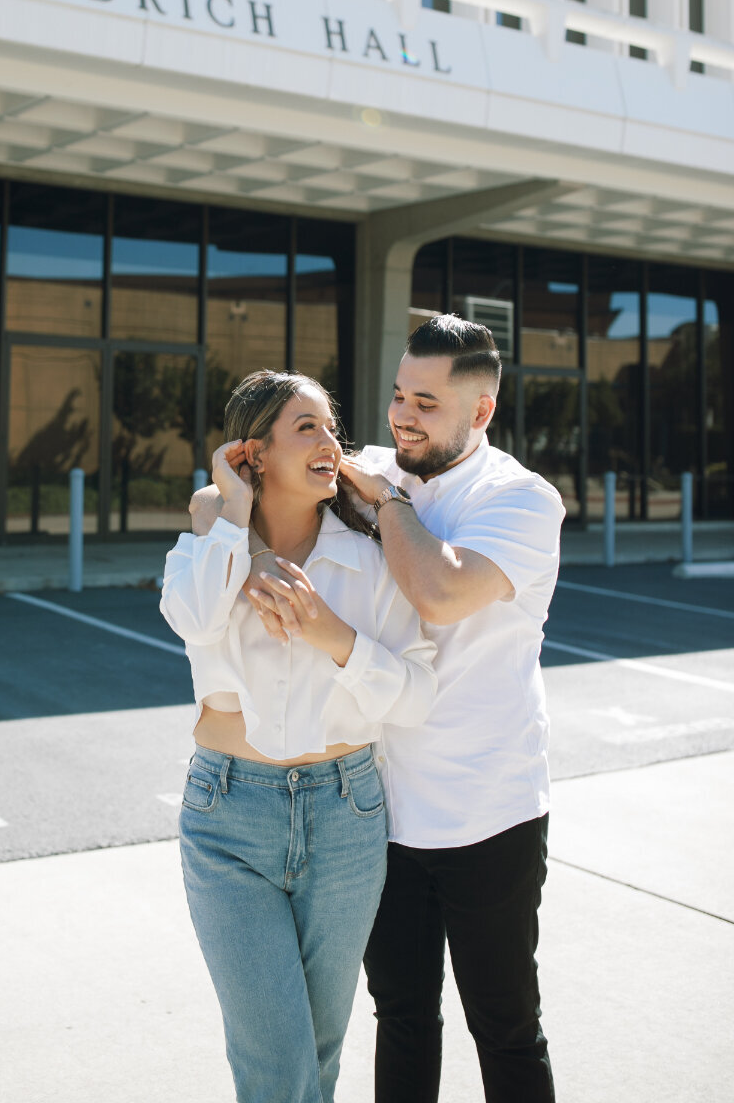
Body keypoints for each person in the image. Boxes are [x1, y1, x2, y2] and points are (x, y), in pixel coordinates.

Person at [191, 316, 565, 1103]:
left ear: (481, 412)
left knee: (503, 1023)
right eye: (399, 395)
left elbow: (439, 590)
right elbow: (225, 497)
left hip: (486, 807)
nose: (402, 416)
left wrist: (391, 500)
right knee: (401, 1015)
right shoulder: (371, 468)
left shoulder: (521, 499)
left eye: (426, 403)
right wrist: (261, 555)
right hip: (379, 812)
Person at [161, 369, 437, 1103]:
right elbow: (192, 619)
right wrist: (231, 519)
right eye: (306, 427)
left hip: (347, 816)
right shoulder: (202, 553)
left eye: (331, 427)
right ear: (255, 453)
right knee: (277, 1067)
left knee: (315, 1055)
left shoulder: (370, 563)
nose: (330, 442)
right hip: (228, 818)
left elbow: (416, 693)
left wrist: (334, 637)